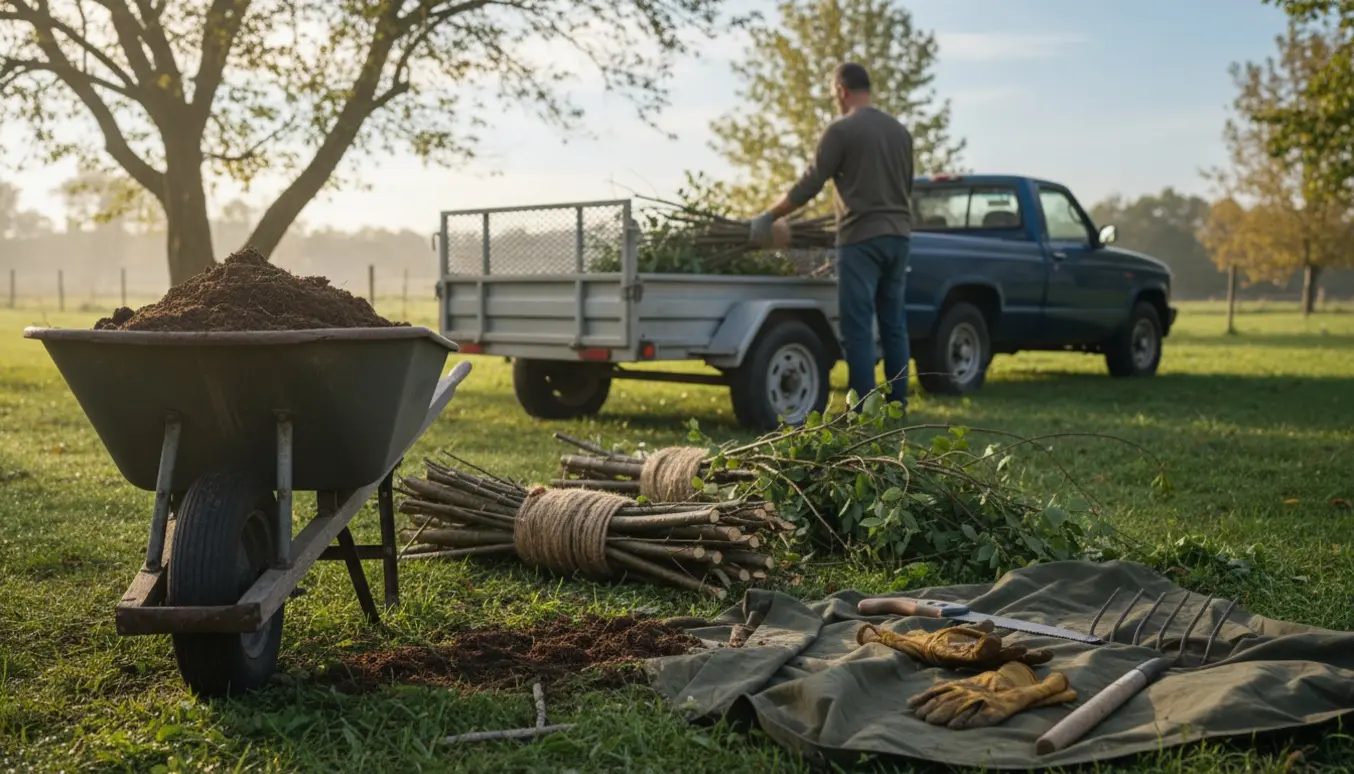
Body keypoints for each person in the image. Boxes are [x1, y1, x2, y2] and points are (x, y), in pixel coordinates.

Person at [748, 62, 915, 408]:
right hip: (899, 237)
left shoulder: (841, 130)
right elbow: (907, 186)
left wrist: (770, 215)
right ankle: (898, 406)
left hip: (861, 239)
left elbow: (811, 183)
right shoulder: (900, 132)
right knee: (894, 325)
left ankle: (863, 411)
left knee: (857, 328)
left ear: (841, 90)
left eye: (833, 95)